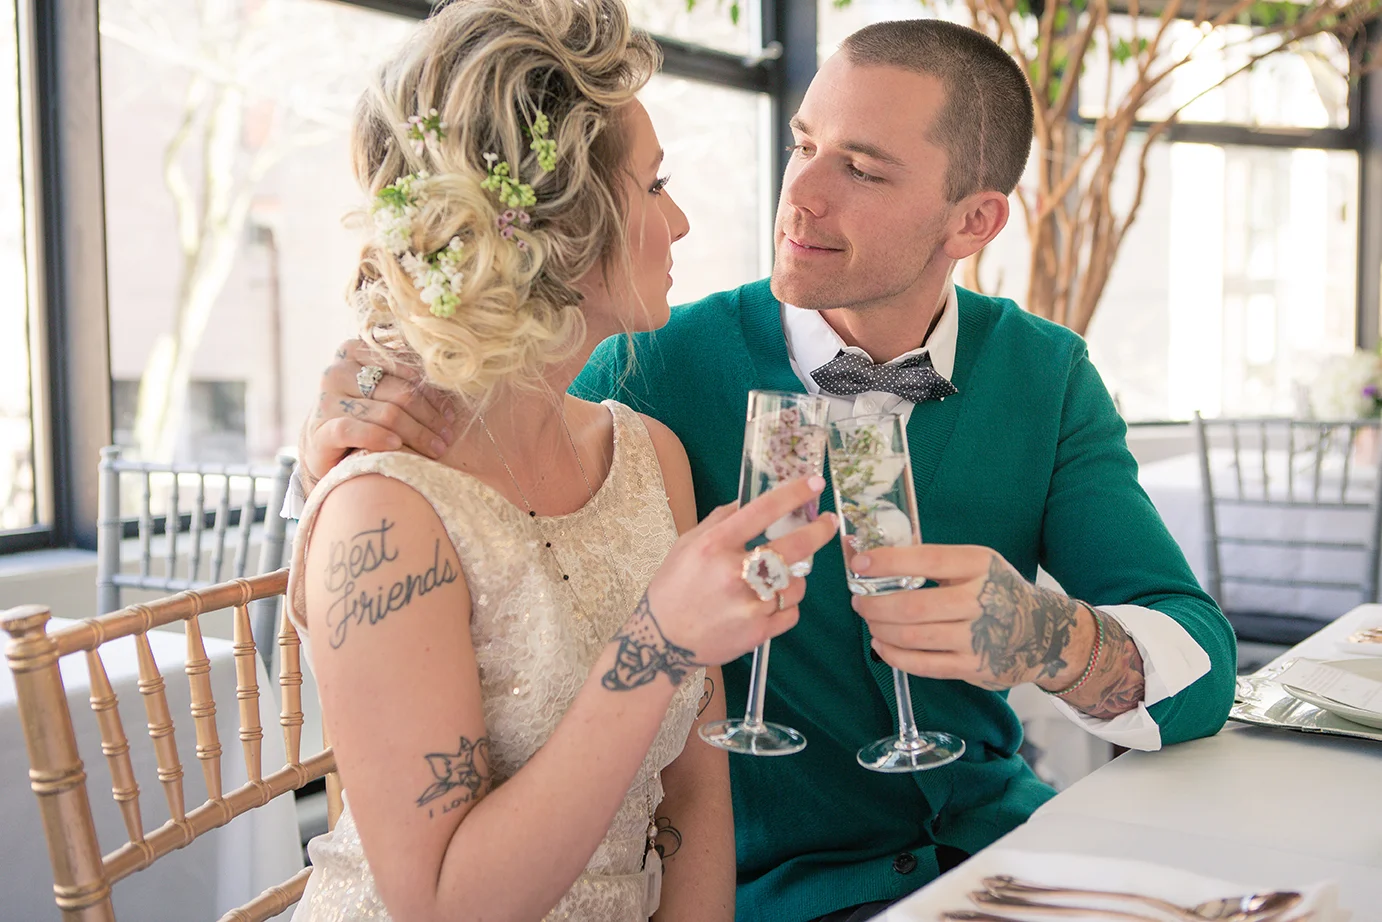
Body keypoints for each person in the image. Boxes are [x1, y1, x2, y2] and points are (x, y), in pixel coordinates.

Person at [299, 16, 1237, 922]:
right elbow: (480, 461)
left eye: (862, 168)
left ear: (973, 220)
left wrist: (1051, 641)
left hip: (996, 858)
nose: (804, 196)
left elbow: (1201, 668)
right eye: (802, 147)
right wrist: (340, 434)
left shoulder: (1047, 376)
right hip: (767, 893)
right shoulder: (648, 365)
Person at [284, 2, 839, 920]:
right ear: (562, 227)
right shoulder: (382, 514)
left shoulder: (646, 455)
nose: (684, 221)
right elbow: (441, 907)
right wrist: (658, 643)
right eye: (655, 187)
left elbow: (695, 798)